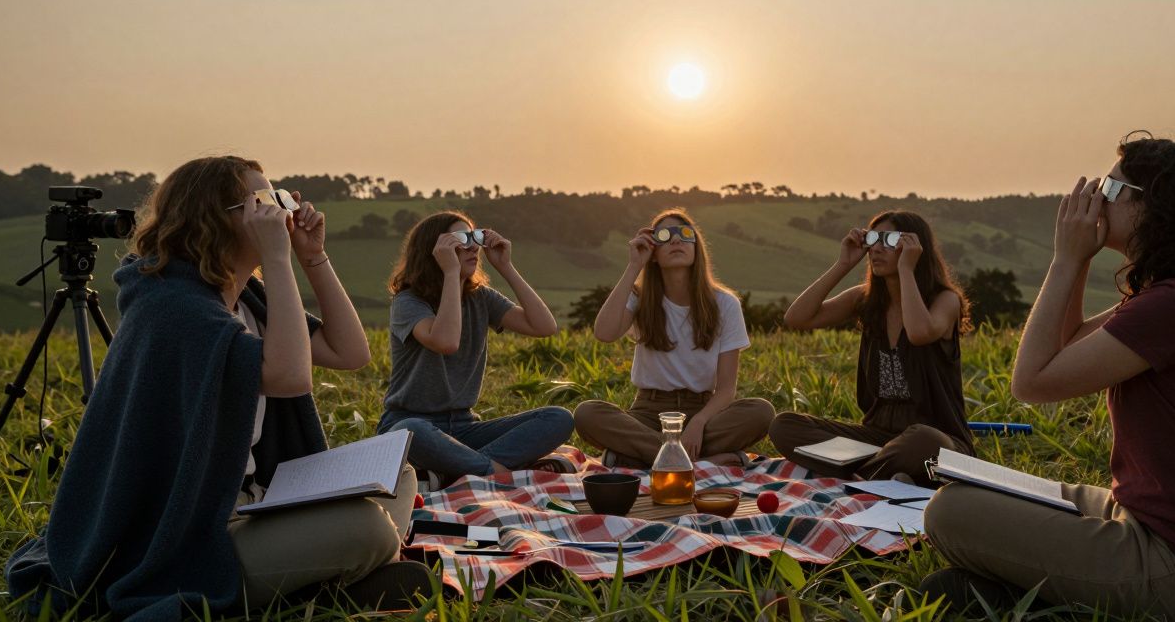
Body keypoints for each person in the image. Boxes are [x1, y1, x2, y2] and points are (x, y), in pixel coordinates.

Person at [6, 156, 426, 618]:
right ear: (215, 217)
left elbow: (350, 353)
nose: (282, 213)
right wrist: (279, 259)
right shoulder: (172, 305)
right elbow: (290, 377)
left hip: (254, 497)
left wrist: (312, 257)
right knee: (368, 527)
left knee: (402, 473)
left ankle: (329, 577)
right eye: (265, 201)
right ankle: (327, 581)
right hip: (196, 530)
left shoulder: (244, 297)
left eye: (281, 199)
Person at [922, 133, 1175, 620]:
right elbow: (1065, 343)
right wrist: (1080, 261)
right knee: (982, 492)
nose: (1095, 200)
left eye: (1111, 191)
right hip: (1159, 526)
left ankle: (1044, 599)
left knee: (949, 512)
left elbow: (1031, 382)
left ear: (1154, 208)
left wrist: (1066, 259)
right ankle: (1038, 597)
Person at [769, 211, 972, 485]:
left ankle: (863, 473)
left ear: (913, 246)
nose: (876, 248)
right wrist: (843, 264)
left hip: (939, 440)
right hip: (876, 438)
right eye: (873, 239)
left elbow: (919, 333)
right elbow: (797, 318)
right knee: (785, 426)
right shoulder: (865, 300)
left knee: (923, 441)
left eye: (888, 240)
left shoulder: (945, 300)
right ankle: (887, 472)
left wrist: (906, 271)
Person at [378, 211, 573, 488]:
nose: (473, 246)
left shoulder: (480, 297)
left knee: (557, 418)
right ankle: (500, 474)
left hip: (463, 427)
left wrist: (506, 267)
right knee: (410, 432)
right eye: (462, 239)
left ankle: (458, 471)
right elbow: (446, 342)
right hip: (410, 423)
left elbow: (543, 326)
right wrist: (451, 274)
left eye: (475, 236)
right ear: (434, 250)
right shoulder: (408, 302)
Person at [573, 209, 774, 468]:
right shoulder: (640, 297)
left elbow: (726, 390)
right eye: (664, 235)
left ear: (696, 247)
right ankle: (699, 461)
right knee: (587, 414)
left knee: (761, 412)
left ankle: (638, 457)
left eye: (685, 234)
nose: (676, 240)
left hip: (702, 411)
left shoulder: (725, 303)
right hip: (648, 412)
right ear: (653, 252)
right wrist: (634, 265)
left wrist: (699, 423)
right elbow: (604, 333)